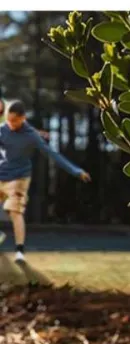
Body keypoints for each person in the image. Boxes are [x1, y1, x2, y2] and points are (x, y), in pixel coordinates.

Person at [0, 100, 92, 263]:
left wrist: (76, 171)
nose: (11, 124)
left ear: (23, 118)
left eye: (14, 121)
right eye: (8, 120)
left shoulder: (31, 136)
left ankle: (20, 251)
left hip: (19, 177)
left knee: (15, 211)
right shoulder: (3, 130)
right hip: (1, 173)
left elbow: (53, 154)